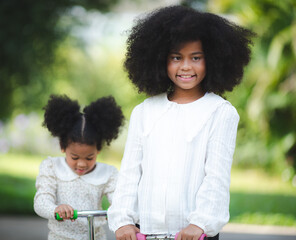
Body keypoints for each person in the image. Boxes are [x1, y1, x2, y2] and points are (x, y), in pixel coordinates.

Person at [107, 5, 255, 240]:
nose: (186, 66)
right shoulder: (144, 112)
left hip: (194, 234)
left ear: (213, 60)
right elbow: (130, 173)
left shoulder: (220, 112)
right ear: (159, 60)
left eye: (196, 58)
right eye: (176, 57)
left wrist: (200, 223)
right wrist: (122, 221)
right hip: (143, 232)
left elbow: (216, 177)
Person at [34, 94, 125, 240]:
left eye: (90, 158)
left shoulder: (108, 173)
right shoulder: (51, 167)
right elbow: (41, 201)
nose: (82, 164)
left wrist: (117, 210)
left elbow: (119, 199)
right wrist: (55, 209)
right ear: (62, 147)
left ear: (99, 149)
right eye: (74, 157)